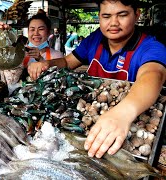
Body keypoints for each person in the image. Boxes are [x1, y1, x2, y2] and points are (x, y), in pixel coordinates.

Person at [28, 0, 166, 158]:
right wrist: (47, 63)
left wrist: (123, 113)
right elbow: (67, 62)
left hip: (127, 122)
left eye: (122, 15)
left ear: (136, 15)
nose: (113, 23)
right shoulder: (94, 39)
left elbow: (153, 75)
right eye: (106, 16)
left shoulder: (151, 47)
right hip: (84, 116)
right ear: (99, 17)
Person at [0, 9, 64, 85]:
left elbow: (58, 82)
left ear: (48, 32)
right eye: (32, 29)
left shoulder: (57, 56)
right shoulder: (19, 52)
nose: (36, 33)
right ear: (28, 32)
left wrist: (41, 59)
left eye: (41, 29)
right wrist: (5, 37)